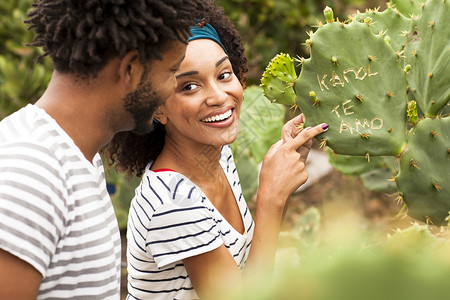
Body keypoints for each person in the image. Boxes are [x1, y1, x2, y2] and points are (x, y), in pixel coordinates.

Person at [104, 3, 329, 299]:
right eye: (189, 87)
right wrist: (270, 197)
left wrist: (281, 183)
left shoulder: (217, 153)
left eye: (224, 75)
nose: (219, 96)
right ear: (156, 108)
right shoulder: (174, 204)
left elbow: (250, 258)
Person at [0, 0, 209, 299]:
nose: (169, 90)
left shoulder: (76, 156)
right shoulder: (30, 172)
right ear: (131, 69)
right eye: (171, 71)